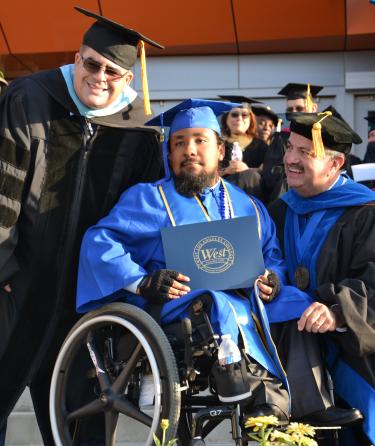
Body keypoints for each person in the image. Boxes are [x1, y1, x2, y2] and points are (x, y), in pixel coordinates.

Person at [77, 98, 307, 426]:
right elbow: (99, 243)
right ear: (168, 154)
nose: (190, 150)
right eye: (179, 143)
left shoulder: (249, 206)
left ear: (221, 151)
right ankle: (263, 402)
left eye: (200, 141)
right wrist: (141, 281)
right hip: (176, 309)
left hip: (246, 301)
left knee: (300, 303)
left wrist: (273, 277)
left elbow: (272, 255)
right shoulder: (147, 198)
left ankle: (310, 401)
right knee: (219, 301)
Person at [0, 6, 163, 444]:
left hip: (88, 302)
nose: (100, 77)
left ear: (129, 79)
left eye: (113, 71)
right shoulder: (28, 99)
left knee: (81, 424)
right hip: (19, 291)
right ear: (77, 58)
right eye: (92, 63)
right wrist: (5, 275)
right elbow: (2, 191)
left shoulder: (139, 130)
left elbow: (142, 218)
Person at [268, 111, 374, 443]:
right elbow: (269, 261)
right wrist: (269, 279)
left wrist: (337, 312)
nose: (290, 159)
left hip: (350, 348)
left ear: (335, 164)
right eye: (290, 148)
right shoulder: (280, 210)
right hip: (287, 348)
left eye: (305, 153)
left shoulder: (365, 213)